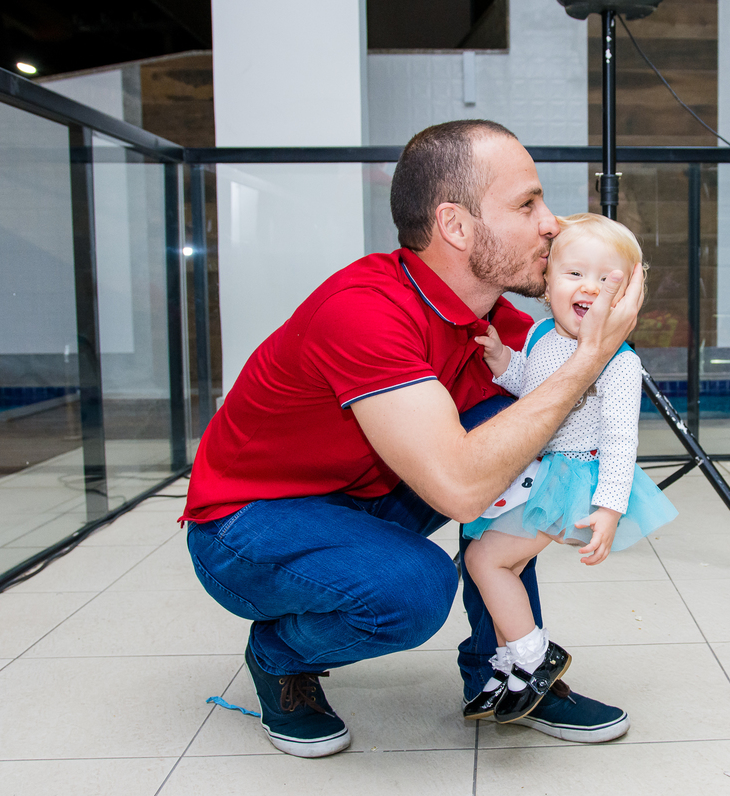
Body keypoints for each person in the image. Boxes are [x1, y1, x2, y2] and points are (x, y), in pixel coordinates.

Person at [181, 120, 645, 757]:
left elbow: (526, 448)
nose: (552, 224)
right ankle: (278, 655)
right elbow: (459, 489)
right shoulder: (365, 310)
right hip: (249, 524)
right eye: (527, 204)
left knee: (521, 440)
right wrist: (587, 362)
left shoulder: (499, 322)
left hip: (372, 496)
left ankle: (507, 672)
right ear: (456, 226)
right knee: (412, 589)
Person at [460, 213, 678, 723]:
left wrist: (609, 507)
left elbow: (622, 439)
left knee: (486, 562)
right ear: (547, 281)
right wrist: (502, 361)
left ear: (627, 298)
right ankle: (511, 662)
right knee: (501, 564)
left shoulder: (619, 362)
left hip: (573, 480)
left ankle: (534, 658)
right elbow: (535, 390)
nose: (591, 289)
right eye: (576, 274)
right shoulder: (539, 334)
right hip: (537, 472)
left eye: (609, 280)